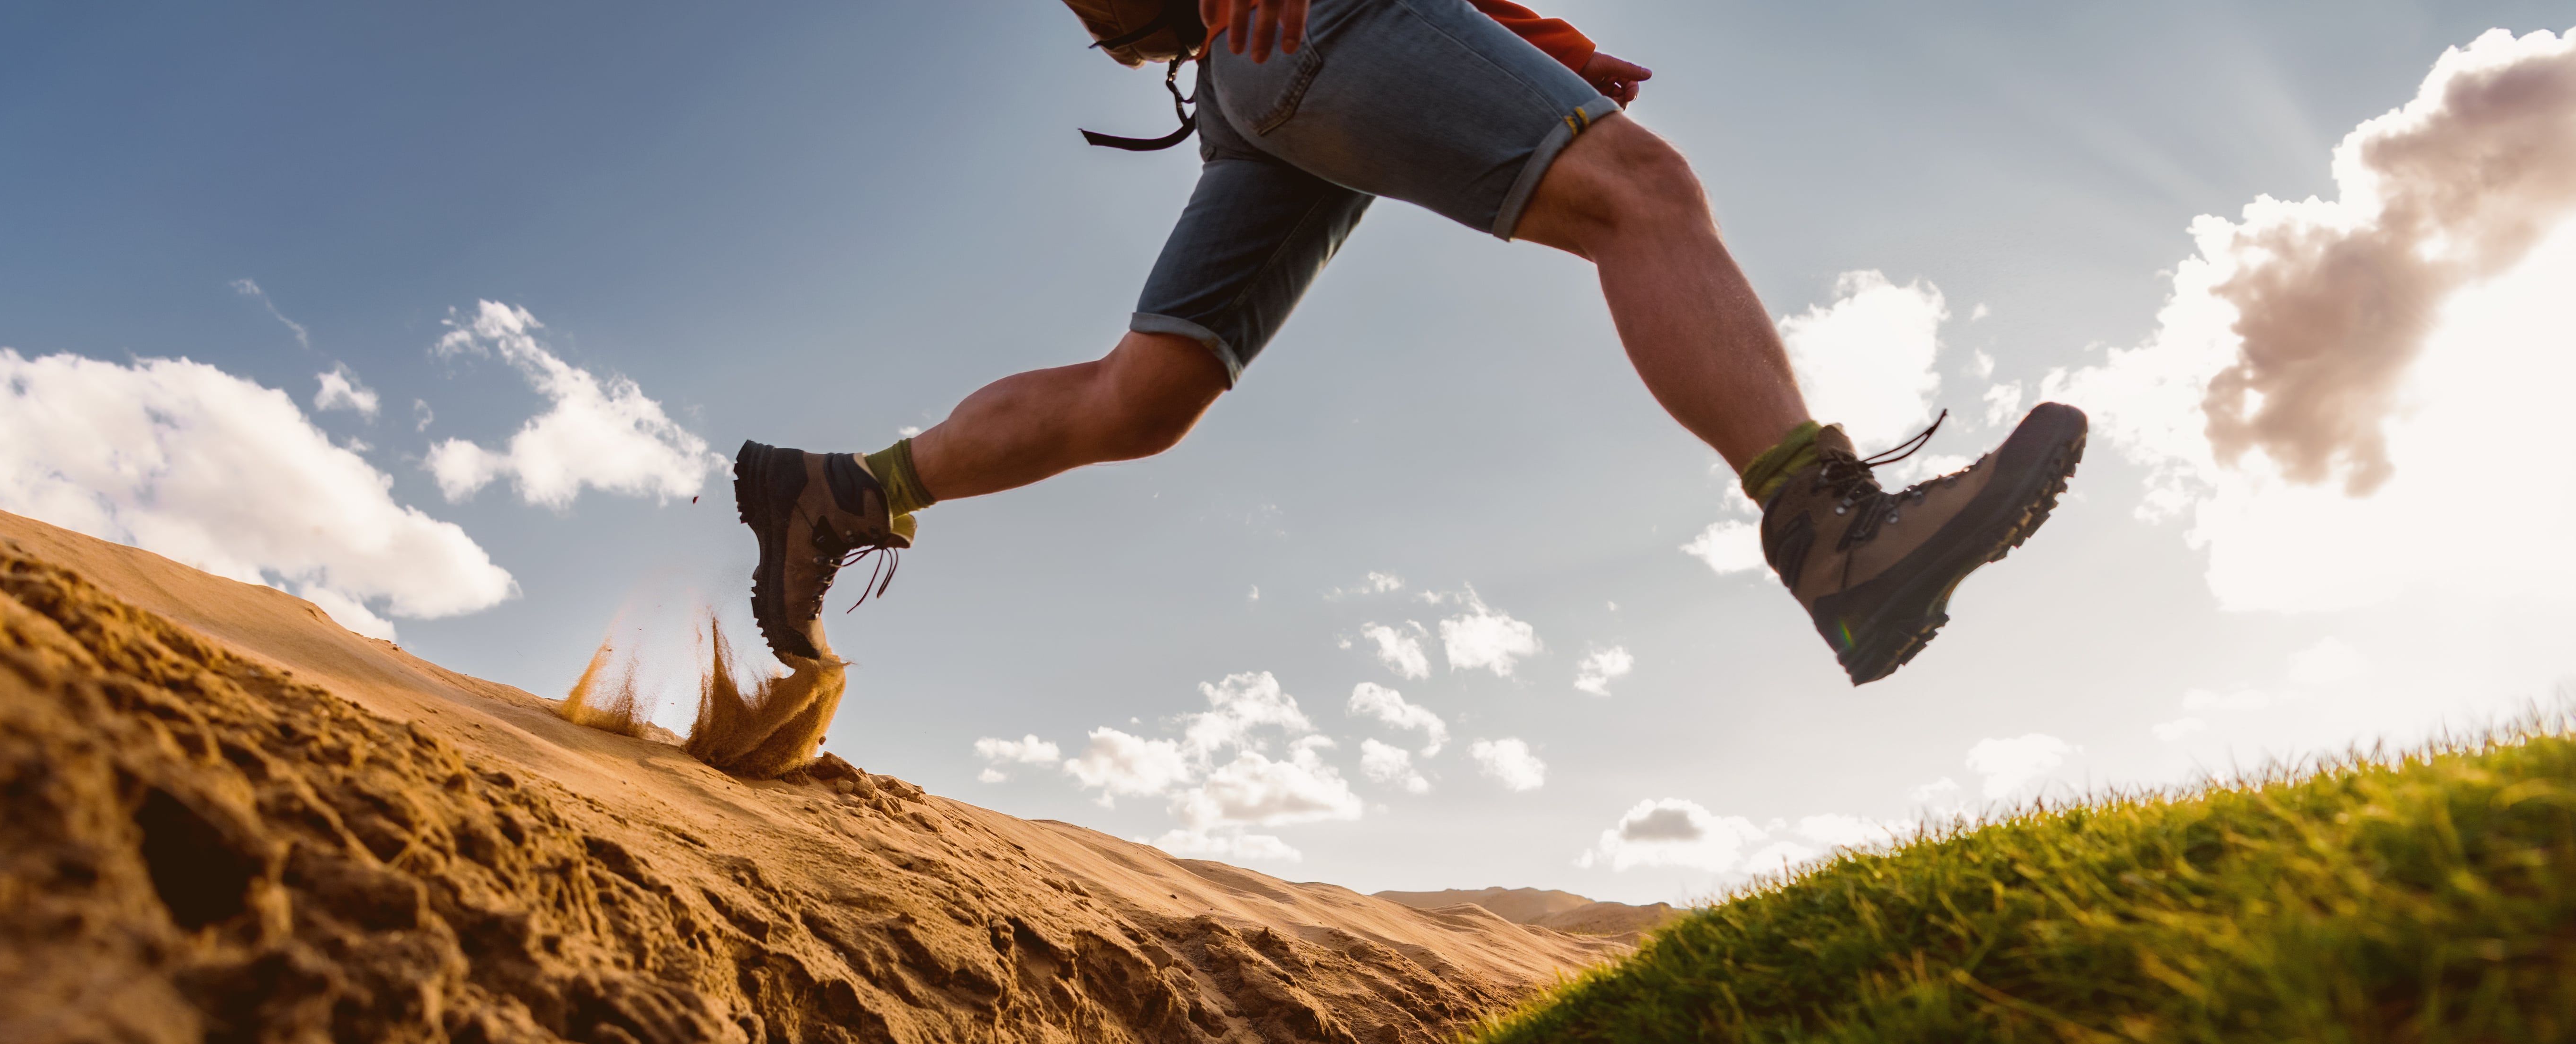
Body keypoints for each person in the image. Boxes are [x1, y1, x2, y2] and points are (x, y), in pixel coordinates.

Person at [735, 0, 2086, 690]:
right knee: (1646, 197)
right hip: (1321, 20)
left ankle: (848, 489)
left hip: (1264, 70)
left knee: (1146, 393)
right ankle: (1827, 534)